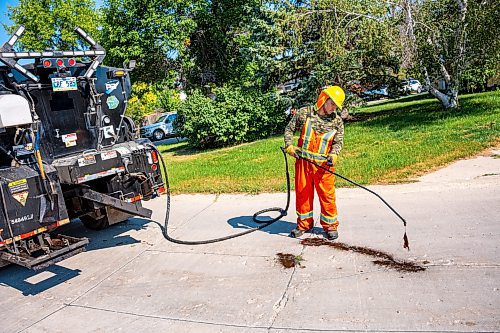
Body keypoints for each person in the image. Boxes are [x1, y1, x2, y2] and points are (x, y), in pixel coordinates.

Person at [284, 86, 345, 240]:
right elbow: (289, 130)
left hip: (324, 166)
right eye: (332, 104)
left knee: (327, 196)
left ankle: (330, 226)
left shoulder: (337, 121)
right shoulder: (305, 113)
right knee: (303, 195)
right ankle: (304, 224)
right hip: (303, 163)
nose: (333, 108)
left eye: (336, 106)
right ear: (324, 98)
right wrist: (289, 145)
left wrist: (334, 155)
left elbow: (338, 142)